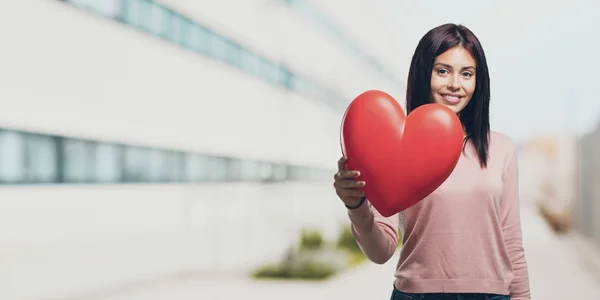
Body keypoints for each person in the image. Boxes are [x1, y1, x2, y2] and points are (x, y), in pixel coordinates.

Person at [333, 23, 530, 300]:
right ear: (424, 74)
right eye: (442, 71)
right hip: (417, 295)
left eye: (466, 74)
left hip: (491, 295)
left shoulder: (503, 149)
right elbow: (380, 252)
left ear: (478, 81)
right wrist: (356, 206)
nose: (454, 84)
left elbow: (512, 242)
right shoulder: (397, 149)